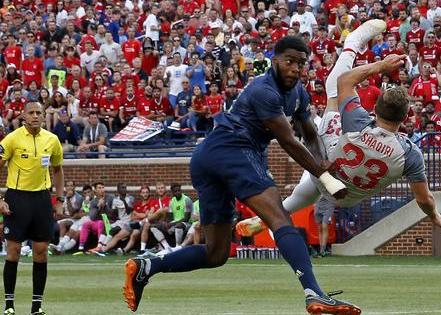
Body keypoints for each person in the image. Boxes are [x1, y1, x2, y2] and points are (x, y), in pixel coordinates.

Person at [124, 35, 359, 314]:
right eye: (289, 61)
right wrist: (323, 175)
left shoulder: (299, 94)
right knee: (280, 219)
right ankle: (314, 293)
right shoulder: (264, 90)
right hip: (234, 150)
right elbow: (288, 141)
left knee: (216, 253)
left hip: (210, 157)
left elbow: (309, 133)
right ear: (275, 61)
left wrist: (323, 163)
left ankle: (147, 266)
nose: (295, 68)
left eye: (301, 63)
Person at [236, 20, 441, 261]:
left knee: (332, 87)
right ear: (405, 118)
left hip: (326, 170)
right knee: (313, 191)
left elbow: (344, 81)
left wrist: (380, 65)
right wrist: (433, 215)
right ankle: (270, 216)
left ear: (375, 109)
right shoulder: (410, 153)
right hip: (345, 196)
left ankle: (352, 43)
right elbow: (424, 199)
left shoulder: (359, 121)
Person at [0, 100, 64, 315]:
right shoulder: (12, 139)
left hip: (42, 200)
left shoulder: (52, 140)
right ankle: (9, 305)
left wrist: (60, 199)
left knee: (40, 252)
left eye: (39, 112)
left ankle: (36, 307)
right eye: (31, 112)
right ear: (23, 116)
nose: (35, 116)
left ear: (44, 116)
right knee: (14, 252)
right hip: (16, 198)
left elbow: (58, 170)